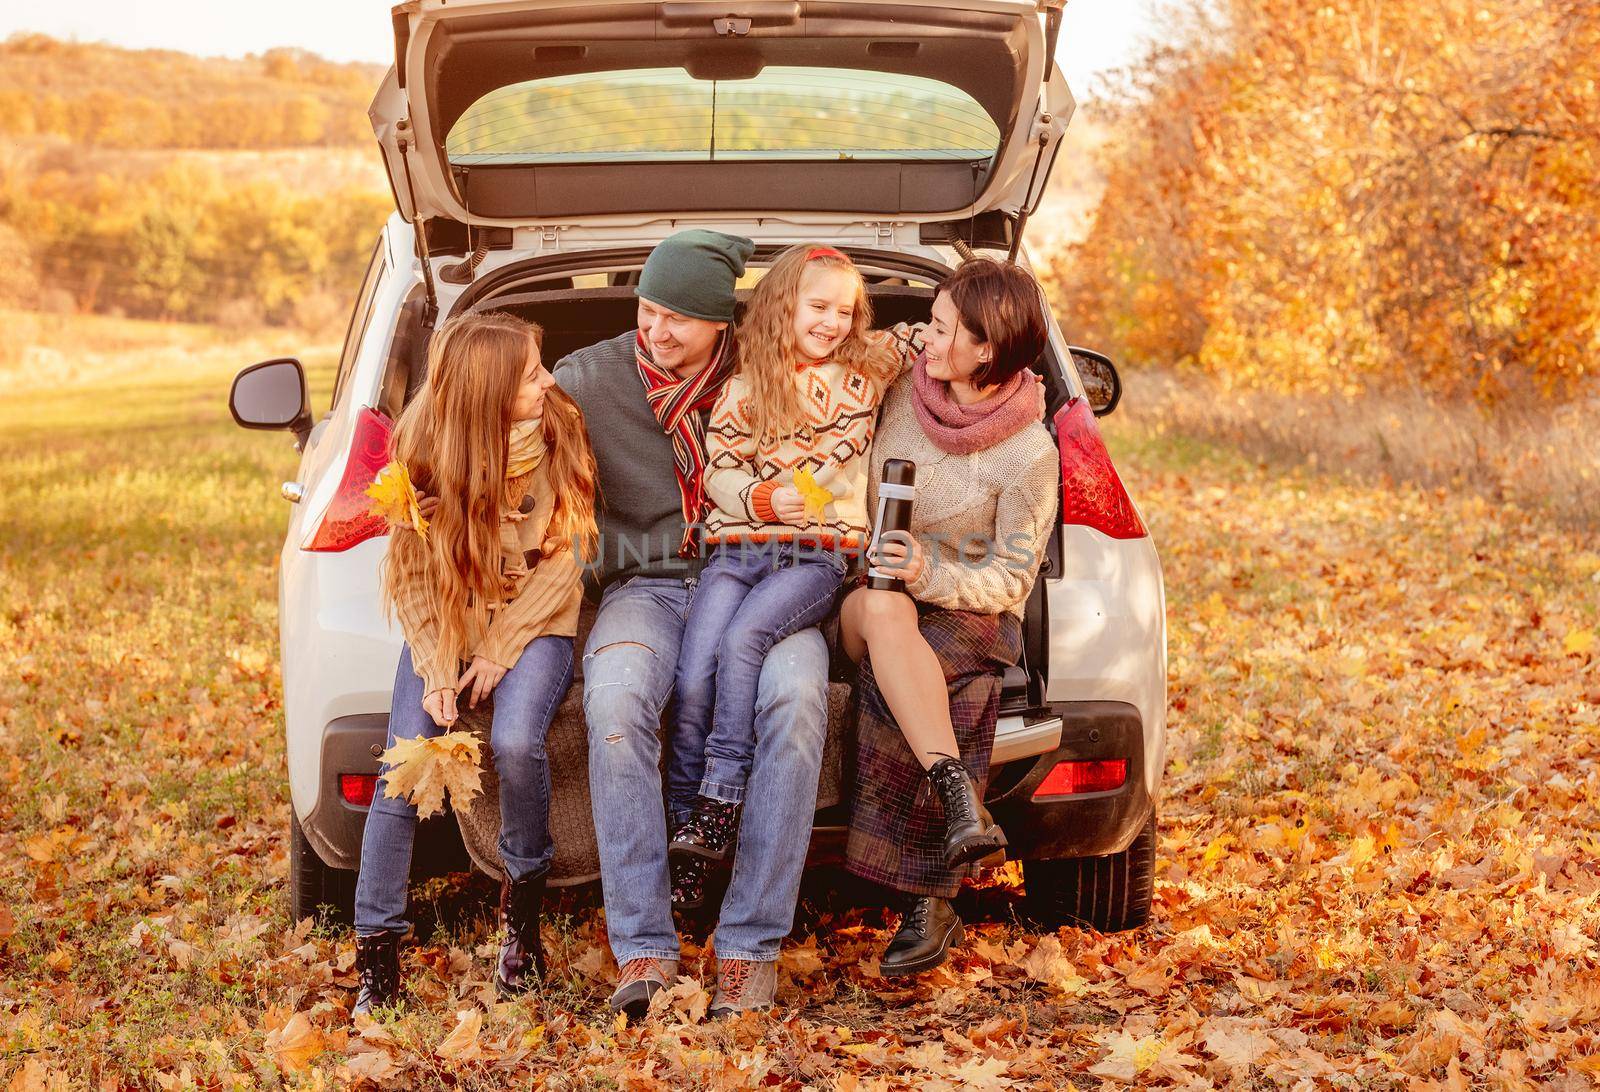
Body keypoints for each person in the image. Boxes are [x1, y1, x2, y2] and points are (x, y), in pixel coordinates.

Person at [550, 230, 832, 1018]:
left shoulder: (771, 373)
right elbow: (506, 450)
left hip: (761, 586)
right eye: (647, 307)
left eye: (678, 317)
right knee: (614, 700)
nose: (656, 329)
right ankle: (643, 945)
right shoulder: (588, 380)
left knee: (799, 701)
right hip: (648, 590)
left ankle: (749, 944)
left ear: (721, 325)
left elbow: (873, 375)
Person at [351, 312, 597, 1014]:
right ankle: (376, 958)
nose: (548, 380)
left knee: (519, 744)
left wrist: (501, 646)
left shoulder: (559, 431)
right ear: (488, 392)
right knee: (406, 761)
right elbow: (415, 575)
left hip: (536, 621)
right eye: (530, 374)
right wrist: (435, 667)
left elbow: (566, 561)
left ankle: (521, 925)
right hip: (450, 621)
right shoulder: (422, 447)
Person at [837, 258, 1059, 977]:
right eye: (927, 323)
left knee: (941, 677)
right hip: (864, 592)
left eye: (939, 328)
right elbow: (830, 362)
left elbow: (1013, 574)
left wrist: (930, 571)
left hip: (964, 602)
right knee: (887, 620)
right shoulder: (903, 386)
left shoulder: (1029, 452)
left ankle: (927, 899)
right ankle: (956, 812)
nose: (925, 338)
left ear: (986, 349)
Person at [666, 245, 903, 911]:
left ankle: (720, 799)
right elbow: (718, 472)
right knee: (690, 679)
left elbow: (942, 334)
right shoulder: (746, 387)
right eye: (818, 306)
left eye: (845, 310)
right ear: (782, 308)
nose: (832, 321)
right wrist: (764, 500)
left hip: (816, 557)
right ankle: (689, 837)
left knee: (743, 640)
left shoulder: (867, 371)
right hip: (738, 551)